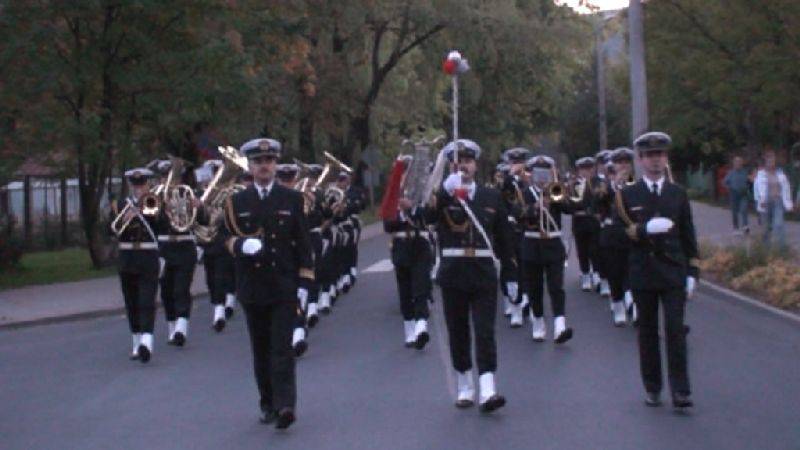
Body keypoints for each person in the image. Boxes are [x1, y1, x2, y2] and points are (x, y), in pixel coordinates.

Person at [221, 137, 314, 429]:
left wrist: (304, 283)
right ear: (250, 166)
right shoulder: (236, 202)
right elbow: (221, 238)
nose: (264, 166)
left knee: (281, 348)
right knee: (261, 349)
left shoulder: (292, 199)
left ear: (275, 164)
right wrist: (240, 246)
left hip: (283, 285)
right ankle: (268, 403)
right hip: (252, 286)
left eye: (269, 161)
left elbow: (303, 244)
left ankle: (286, 405)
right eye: (259, 161)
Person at [423, 139, 517, 413]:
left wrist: (511, 274)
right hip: (453, 272)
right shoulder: (442, 195)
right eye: (457, 162)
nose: (463, 166)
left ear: (475, 165)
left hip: (483, 271)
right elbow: (426, 217)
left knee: (485, 331)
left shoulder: (490, 197)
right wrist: (444, 191)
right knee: (458, 330)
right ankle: (465, 383)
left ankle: (488, 387)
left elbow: (504, 239)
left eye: (467, 161)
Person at [613, 131, 699, 410]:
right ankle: (652, 387)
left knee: (675, 331)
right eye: (650, 155)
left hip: (673, 271)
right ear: (640, 160)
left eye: (660, 154)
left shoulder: (677, 193)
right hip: (644, 271)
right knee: (647, 333)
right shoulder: (628, 195)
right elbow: (617, 235)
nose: (655, 160)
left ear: (666, 158)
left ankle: (681, 391)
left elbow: (688, 235)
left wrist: (693, 273)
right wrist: (642, 230)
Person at [516, 155, 574, 343]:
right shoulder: (524, 193)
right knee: (534, 287)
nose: (542, 178)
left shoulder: (555, 191)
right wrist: (535, 208)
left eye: (545, 173)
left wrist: (557, 197)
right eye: (538, 173)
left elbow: (569, 208)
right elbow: (517, 214)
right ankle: (538, 321)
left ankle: (560, 325)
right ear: (532, 175)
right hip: (531, 245)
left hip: (553, 243)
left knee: (556, 286)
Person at [109, 168, 162, 363]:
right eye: (135, 184)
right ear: (130, 185)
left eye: (142, 184)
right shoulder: (120, 205)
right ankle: (136, 340)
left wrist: (139, 211)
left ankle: (147, 340)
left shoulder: (153, 200)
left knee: (147, 300)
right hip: (127, 257)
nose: (139, 188)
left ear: (148, 184)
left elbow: (157, 222)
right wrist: (123, 218)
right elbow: (110, 229)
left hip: (147, 256)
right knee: (131, 301)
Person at [384, 159, 433, 349]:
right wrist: (402, 213)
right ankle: (409, 329)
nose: (406, 177)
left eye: (409, 173)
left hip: (420, 244)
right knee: (405, 290)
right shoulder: (392, 196)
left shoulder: (423, 194)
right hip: (401, 246)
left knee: (421, 287)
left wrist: (412, 208)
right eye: (403, 173)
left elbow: (428, 217)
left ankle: (421, 326)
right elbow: (388, 225)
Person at [154, 158, 199, 347]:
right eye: (165, 177)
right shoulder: (154, 197)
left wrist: (198, 208)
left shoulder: (188, 194)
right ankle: (172, 327)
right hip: (164, 248)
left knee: (181, 288)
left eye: (172, 177)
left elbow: (203, 220)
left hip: (185, 246)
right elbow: (150, 222)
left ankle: (181, 328)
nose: (168, 181)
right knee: (166, 291)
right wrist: (160, 208)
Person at [568, 156, 601, 292]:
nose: (587, 171)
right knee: (582, 250)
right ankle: (585, 274)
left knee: (595, 249)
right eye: (583, 169)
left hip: (594, 221)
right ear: (579, 170)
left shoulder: (598, 183)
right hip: (580, 221)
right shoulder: (574, 185)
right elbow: (572, 204)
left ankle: (597, 274)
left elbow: (600, 200)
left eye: (589, 168)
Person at [753, 150, 793, 248]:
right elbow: (757, 189)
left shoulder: (780, 174)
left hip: (778, 202)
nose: (771, 163)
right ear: (765, 162)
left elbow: (786, 189)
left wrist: (789, 204)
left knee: (778, 224)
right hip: (765, 203)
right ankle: (766, 249)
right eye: (769, 161)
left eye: (773, 161)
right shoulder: (761, 174)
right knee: (766, 228)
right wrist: (760, 200)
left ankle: (782, 249)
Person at [723, 155, 751, 234]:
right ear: (734, 163)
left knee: (744, 209)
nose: (738, 163)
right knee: (734, 211)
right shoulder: (731, 173)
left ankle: (745, 226)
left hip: (743, 193)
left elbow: (749, 181)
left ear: (742, 163)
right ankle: (736, 228)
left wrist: (748, 186)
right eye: (736, 162)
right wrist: (729, 188)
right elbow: (724, 182)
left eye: (739, 162)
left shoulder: (745, 172)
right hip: (734, 194)